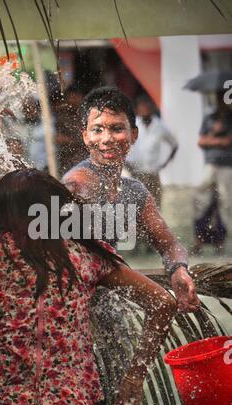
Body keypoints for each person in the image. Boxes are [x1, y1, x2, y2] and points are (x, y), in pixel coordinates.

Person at [0, 168, 176, 405]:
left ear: (1, 211)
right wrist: (135, 375)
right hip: (64, 402)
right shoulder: (86, 254)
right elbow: (163, 302)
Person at [62, 86, 199, 314]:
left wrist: (178, 269)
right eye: (97, 130)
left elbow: (170, 245)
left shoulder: (134, 190)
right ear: (85, 137)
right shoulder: (77, 182)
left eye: (117, 129)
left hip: (106, 302)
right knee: (162, 306)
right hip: (68, 303)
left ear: (133, 135)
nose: (107, 139)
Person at [192, 91, 232, 254]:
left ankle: (220, 242)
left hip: (227, 165)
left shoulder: (230, 117)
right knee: (200, 200)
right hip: (210, 164)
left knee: (225, 203)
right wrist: (216, 135)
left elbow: (228, 141)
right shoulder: (209, 117)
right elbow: (201, 141)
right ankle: (199, 240)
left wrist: (213, 139)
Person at [125, 95, 178, 209]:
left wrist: (164, 164)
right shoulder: (131, 125)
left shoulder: (159, 126)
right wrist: (126, 164)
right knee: (135, 205)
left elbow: (174, 145)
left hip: (152, 174)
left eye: (147, 106)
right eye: (142, 106)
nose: (145, 108)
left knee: (155, 205)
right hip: (135, 173)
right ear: (137, 109)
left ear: (152, 107)